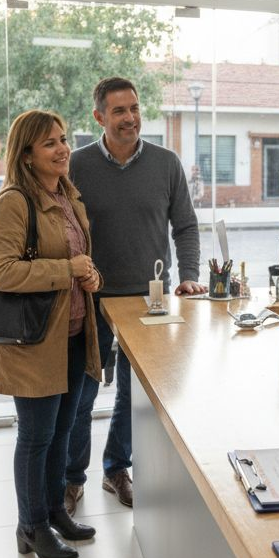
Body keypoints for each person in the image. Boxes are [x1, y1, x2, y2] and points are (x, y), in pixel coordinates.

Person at [66, 77, 206, 513]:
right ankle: (72, 479)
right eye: (119, 111)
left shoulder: (166, 163)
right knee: (82, 393)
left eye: (135, 108)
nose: (130, 118)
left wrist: (189, 275)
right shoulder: (76, 166)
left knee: (133, 393)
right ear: (99, 117)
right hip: (91, 299)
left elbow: (184, 226)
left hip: (151, 300)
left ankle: (116, 469)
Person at [0, 109, 102, 558]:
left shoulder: (68, 196)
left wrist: (90, 275)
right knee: (36, 436)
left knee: (62, 431)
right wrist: (66, 271)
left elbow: (80, 258)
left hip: (72, 334)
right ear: (27, 154)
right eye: (50, 142)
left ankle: (54, 512)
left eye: (64, 139)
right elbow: (1, 272)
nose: (63, 149)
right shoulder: (14, 201)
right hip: (33, 343)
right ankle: (30, 527)